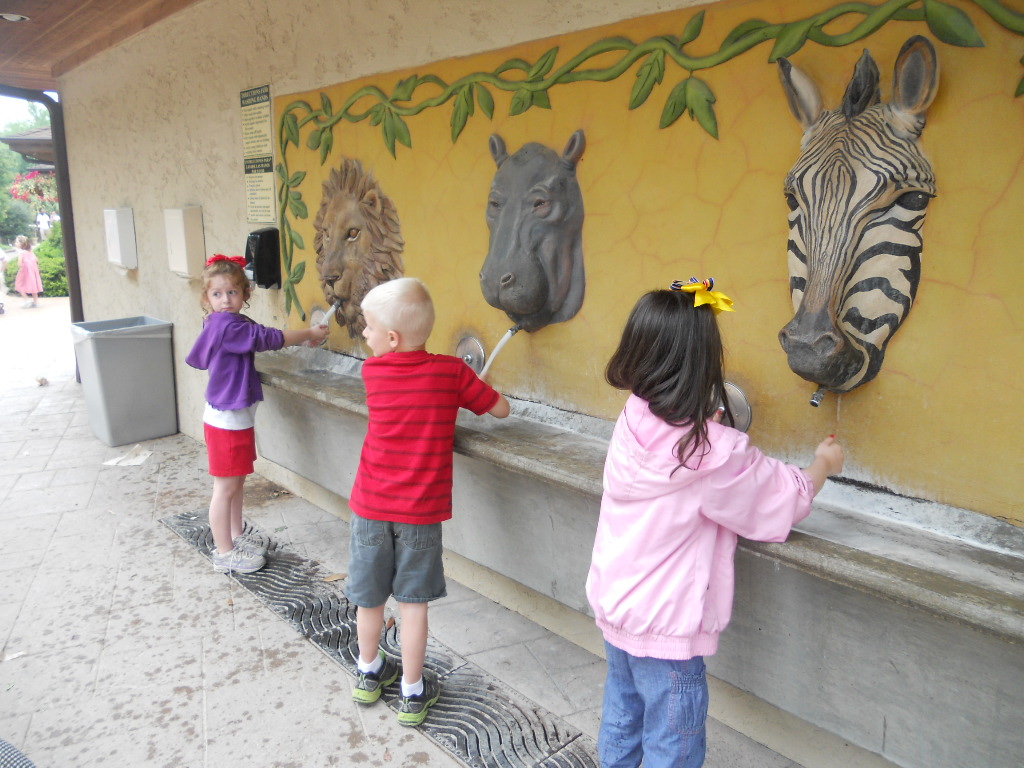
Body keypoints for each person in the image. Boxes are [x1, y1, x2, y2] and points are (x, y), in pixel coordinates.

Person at [586, 279, 845, 768]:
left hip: (617, 608)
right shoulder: (709, 454)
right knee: (674, 744)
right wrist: (822, 466)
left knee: (623, 716)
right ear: (704, 363)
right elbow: (780, 498)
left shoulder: (633, 417)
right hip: (667, 632)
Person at [346, 276, 510, 727]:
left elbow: (408, 393)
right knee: (413, 605)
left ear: (391, 339)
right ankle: (413, 693)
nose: (364, 333)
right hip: (420, 514)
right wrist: (474, 384)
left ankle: (368, 672)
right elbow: (501, 410)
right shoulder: (452, 373)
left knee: (369, 600)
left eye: (368, 326)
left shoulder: (372, 373)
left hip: (370, 507)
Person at [186, 254, 329, 574]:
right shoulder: (228, 326)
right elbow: (270, 338)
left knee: (236, 483)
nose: (225, 300)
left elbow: (260, 333)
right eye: (217, 294)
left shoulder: (227, 322)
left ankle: (235, 536)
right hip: (227, 421)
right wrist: (310, 333)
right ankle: (224, 553)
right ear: (206, 298)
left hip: (232, 418)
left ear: (245, 294)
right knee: (224, 489)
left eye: (232, 292)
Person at [13, 236, 42, 308]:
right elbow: (37, 260)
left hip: (24, 272)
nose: (15, 243)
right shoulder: (30, 252)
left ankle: (26, 299)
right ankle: (36, 302)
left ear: (21, 244)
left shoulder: (21, 253)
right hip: (33, 272)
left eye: (17, 242)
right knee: (33, 285)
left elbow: (19, 264)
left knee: (19, 284)